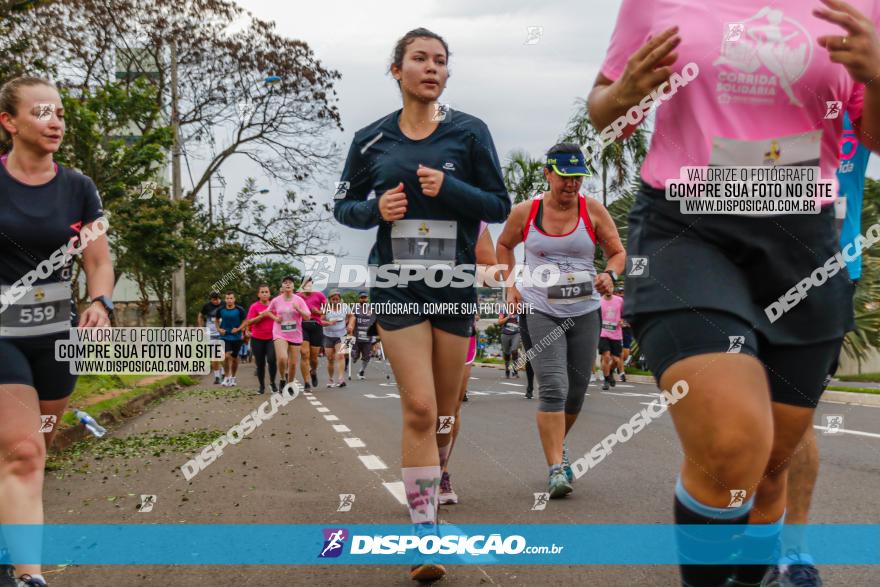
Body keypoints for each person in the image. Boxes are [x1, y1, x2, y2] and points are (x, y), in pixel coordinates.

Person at [590, 2, 879, 584]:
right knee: (732, 444)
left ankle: (760, 571)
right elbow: (603, 112)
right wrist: (627, 91)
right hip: (686, 226)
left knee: (771, 468)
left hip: (803, 238)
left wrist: (877, 75)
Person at [333, 27, 510, 582]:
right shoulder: (371, 139)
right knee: (419, 407)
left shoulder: (470, 133)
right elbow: (342, 204)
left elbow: (499, 204)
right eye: (419, 59)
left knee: (445, 411)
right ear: (397, 70)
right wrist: (375, 209)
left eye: (440, 61)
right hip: (396, 285)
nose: (431, 68)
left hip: (454, 286)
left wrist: (449, 191)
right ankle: (423, 533)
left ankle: (437, 474)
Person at [0, 76, 114, 587]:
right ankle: (29, 576)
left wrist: (100, 301)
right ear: (9, 122)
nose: (56, 122)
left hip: (56, 332)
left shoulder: (79, 188)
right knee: (23, 450)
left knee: (36, 447)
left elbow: (98, 259)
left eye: (61, 114)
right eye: (43, 112)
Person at [775, 111, 873, 587]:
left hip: (829, 274)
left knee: (795, 413)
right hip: (746, 271)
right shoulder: (759, 91)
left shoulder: (860, 98)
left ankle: (792, 550)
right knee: (739, 412)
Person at [497, 143, 625, 498]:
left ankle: (559, 445)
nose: (571, 186)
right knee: (553, 385)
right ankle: (556, 468)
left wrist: (610, 275)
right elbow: (504, 245)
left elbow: (617, 252)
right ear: (548, 173)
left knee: (576, 394)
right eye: (565, 178)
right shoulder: (527, 211)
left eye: (577, 179)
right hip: (539, 307)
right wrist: (510, 286)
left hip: (584, 309)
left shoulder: (592, 210)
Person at [263, 275, 311, 392]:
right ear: (282, 286)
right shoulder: (276, 300)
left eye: (290, 282)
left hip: (295, 334)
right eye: (285, 283)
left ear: (294, 286)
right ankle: (282, 378)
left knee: (293, 364)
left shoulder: (299, 300)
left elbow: (307, 317)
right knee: (282, 358)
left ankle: (289, 384)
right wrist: (275, 318)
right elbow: (268, 311)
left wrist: (298, 309)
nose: (288, 284)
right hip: (280, 333)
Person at [245, 284, 278, 394]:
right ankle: (261, 386)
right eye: (262, 292)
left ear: (269, 294)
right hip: (257, 338)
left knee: (272, 360)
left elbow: (279, 319)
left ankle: (273, 383)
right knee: (260, 363)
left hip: (272, 337)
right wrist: (261, 316)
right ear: (258, 294)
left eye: (266, 292)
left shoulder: (274, 306)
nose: (264, 294)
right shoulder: (254, 307)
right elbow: (249, 321)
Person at [296, 277, 327, 390]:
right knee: (304, 353)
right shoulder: (297, 297)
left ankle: (313, 371)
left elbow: (327, 310)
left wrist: (318, 312)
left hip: (316, 326)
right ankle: (306, 382)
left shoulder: (319, 295)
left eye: (309, 283)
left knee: (314, 357)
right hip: (302, 326)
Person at [214, 291, 247, 387]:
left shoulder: (239, 310)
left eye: (231, 298)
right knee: (226, 355)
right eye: (227, 298)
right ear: (225, 299)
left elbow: (245, 321)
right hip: (224, 336)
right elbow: (216, 320)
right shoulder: (221, 310)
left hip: (236, 337)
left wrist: (239, 329)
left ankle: (233, 378)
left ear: (234, 299)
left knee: (235, 358)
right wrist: (219, 329)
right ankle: (226, 377)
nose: (229, 300)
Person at [320, 289, 351, 388]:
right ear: (330, 300)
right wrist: (329, 323)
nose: (335, 301)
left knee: (341, 355)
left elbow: (352, 316)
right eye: (333, 299)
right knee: (330, 358)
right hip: (328, 336)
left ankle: (341, 379)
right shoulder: (325, 308)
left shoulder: (345, 307)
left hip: (342, 335)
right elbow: (320, 321)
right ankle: (330, 378)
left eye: (337, 299)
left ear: (340, 299)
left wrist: (350, 324)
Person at [598, 289, 624, 391]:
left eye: (611, 287)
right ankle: (606, 379)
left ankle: (611, 372)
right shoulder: (599, 301)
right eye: (606, 288)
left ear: (613, 288)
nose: (608, 290)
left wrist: (622, 320)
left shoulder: (619, 300)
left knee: (616, 360)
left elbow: (624, 314)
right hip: (603, 333)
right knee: (606, 356)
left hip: (616, 334)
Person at [349, 291, 376, 379]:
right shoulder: (355, 308)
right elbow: (351, 318)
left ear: (367, 299)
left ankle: (361, 371)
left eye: (365, 298)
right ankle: (353, 358)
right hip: (356, 335)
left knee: (367, 356)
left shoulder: (371, 308)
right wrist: (350, 327)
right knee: (354, 355)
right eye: (362, 298)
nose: (364, 299)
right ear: (359, 299)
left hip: (368, 336)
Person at [198, 291, 224, 384]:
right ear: (211, 299)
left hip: (222, 332)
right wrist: (201, 328)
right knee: (214, 355)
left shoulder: (224, 304)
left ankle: (224, 372)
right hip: (211, 333)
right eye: (213, 300)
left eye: (217, 299)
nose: (215, 301)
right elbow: (200, 316)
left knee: (222, 353)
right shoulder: (207, 306)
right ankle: (217, 376)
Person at [498, 308, 521, 378]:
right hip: (505, 334)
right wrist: (508, 316)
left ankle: (515, 370)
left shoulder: (520, 310)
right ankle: (507, 370)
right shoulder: (503, 310)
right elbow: (499, 322)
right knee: (507, 353)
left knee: (514, 351)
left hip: (516, 334)